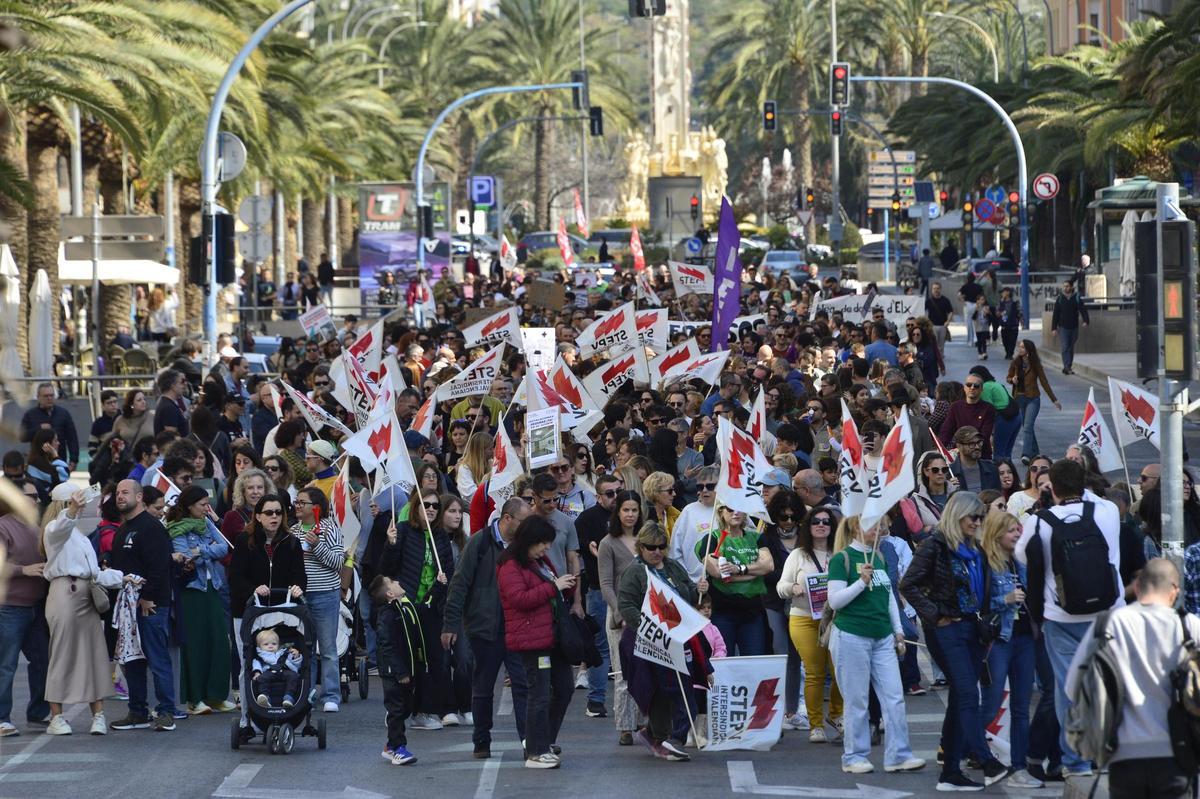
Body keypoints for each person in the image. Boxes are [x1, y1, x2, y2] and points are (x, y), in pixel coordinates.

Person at [1016, 459, 1123, 779]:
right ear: (1085, 483)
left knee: (1068, 688)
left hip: (1062, 616)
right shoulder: (1107, 512)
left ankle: (1075, 759)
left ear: (1053, 487)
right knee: (1105, 686)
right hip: (1108, 614)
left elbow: (1022, 555)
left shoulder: (1039, 523)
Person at [1066, 558, 1200, 798]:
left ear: (1137, 588)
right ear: (1174, 591)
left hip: (1123, 755)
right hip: (1178, 754)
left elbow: (1072, 686)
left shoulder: (1108, 623)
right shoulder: (1190, 626)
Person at [900, 491, 1006, 790]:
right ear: (957, 515)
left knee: (962, 696)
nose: (978, 522)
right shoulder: (934, 545)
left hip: (971, 630)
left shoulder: (975, 549)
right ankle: (985, 761)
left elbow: (980, 593)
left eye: (981, 517)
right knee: (967, 694)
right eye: (974, 516)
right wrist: (936, 615)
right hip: (946, 631)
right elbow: (908, 584)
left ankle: (950, 769)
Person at [827, 515, 925, 776]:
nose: (879, 529)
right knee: (857, 700)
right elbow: (835, 601)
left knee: (894, 697)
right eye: (872, 525)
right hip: (851, 635)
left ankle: (899, 755)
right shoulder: (842, 559)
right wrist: (861, 582)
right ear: (855, 528)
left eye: (880, 525)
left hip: (882, 637)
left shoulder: (879, 557)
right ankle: (854, 756)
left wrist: (898, 631)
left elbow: (890, 597)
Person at [442, 497, 532, 759]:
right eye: (523, 521)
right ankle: (481, 740)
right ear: (507, 519)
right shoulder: (479, 543)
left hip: (516, 628)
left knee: (522, 685)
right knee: (482, 688)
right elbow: (459, 584)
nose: (527, 527)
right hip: (484, 627)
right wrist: (450, 624)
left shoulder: (522, 547)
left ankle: (529, 742)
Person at [40, 486, 128, 736]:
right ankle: (56, 717)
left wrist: (124, 577)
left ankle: (97, 715)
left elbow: (94, 573)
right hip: (64, 594)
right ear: (66, 504)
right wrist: (72, 510)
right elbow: (60, 528)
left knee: (95, 654)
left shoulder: (77, 534)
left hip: (85, 595)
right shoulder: (55, 529)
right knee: (62, 655)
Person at [616, 522, 706, 762]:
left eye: (661, 547)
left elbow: (688, 594)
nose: (657, 552)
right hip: (646, 640)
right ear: (640, 547)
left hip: (677, 637)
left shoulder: (673, 566)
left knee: (681, 688)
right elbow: (626, 606)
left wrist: (699, 589)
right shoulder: (634, 571)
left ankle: (670, 736)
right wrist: (651, 628)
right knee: (657, 691)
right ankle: (663, 735)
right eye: (650, 547)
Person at [497, 515, 578, 769]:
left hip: (551, 636)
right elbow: (519, 599)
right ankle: (535, 750)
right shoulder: (510, 565)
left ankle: (544, 741)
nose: (546, 548)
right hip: (532, 639)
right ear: (529, 541)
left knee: (564, 688)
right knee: (539, 694)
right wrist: (554, 586)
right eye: (542, 543)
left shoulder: (538, 561)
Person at [377, 489, 454, 730]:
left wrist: (442, 585)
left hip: (431, 607)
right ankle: (399, 708)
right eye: (426, 505)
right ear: (415, 508)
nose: (431, 509)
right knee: (407, 660)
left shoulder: (441, 536)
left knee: (431, 660)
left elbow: (448, 570)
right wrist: (390, 544)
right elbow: (386, 569)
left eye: (435, 506)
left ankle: (424, 710)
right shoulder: (403, 531)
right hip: (406, 606)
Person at [228, 493, 305, 734]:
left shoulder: (291, 542)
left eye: (278, 512)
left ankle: (285, 706)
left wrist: (297, 586)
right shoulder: (244, 541)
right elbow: (235, 576)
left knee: (281, 660)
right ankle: (246, 717)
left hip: (283, 611)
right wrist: (253, 589)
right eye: (269, 513)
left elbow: (300, 574)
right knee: (248, 663)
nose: (274, 517)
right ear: (258, 516)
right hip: (250, 609)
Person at [979, 512, 1041, 788]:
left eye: (1018, 530)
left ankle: (1019, 766)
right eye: (1011, 531)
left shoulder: (1020, 562)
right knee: (990, 704)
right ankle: (960, 746)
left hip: (1026, 638)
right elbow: (976, 603)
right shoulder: (986, 563)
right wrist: (1003, 599)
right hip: (999, 639)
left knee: (1021, 706)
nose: (1017, 535)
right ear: (996, 533)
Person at [109, 480, 178, 731]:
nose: (119, 496)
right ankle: (137, 711)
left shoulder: (151, 527)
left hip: (150, 605)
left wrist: (148, 597)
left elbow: (160, 567)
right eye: (117, 492)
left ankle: (166, 712)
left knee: (157, 658)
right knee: (132, 660)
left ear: (139, 497)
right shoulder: (122, 529)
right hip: (127, 606)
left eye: (125, 492)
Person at [165, 485, 234, 715]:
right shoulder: (175, 528)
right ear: (189, 506)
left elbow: (224, 547)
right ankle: (195, 699)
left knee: (219, 642)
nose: (208, 508)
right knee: (195, 645)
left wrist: (200, 550)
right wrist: (207, 550)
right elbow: (184, 555)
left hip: (212, 586)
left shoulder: (207, 523)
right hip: (191, 590)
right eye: (203, 504)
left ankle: (215, 695)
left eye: (208, 503)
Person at [777, 506, 843, 743]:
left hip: (836, 620)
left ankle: (836, 715)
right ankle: (816, 725)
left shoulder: (840, 554)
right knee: (814, 672)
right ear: (808, 525)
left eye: (826, 521)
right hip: (804, 618)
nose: (822, 525)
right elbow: (781, 586)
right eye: (816, 521)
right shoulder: (798, 555)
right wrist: (793, 588)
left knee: (840, 672)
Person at [0, 489, 49, 737]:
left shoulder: (35, 527)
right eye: (31, 495)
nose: (37, 499)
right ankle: (2, 719)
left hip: (36, 607)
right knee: (6, 665)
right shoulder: (3, 527)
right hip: (9, 607)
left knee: (43, 661)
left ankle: (38, 712)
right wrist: (24, 570)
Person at [291, 486, 344, 713]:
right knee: (305, 648)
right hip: (301, 596)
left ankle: (331, 694)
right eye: (297, 502)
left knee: (328, 648)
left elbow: (338, 562)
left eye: (302, 502)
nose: (297, 506)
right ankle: (308, 694)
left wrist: (317, 545)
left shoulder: (330, 528)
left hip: (325, 594)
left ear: (316, 507)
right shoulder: (292, 531)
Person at [598, 489, 645, 746]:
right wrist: (621, 612)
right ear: (618, 512)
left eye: (634, 510)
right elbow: (606, 584)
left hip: (647, 614)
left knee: (646, 670)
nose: (630, 515)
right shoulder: (608, 543)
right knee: (623, 673)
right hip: (619, 615)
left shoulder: (646, 539)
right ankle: (625, 726)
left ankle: (644, 719)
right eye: (625, 510)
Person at [697, 504, 773, 655]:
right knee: (724, 660)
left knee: (753, 662)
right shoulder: (711, 539)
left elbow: (769, 566)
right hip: (722, 612)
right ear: (721, 512)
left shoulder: (757, 538)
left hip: (752, 612)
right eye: (730, 509)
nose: (736, 512)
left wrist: (739, 569)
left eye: (740, 508)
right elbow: (718, 573)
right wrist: (754, 572)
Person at [370, 575, 421, 766]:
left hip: (406, 669)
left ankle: (390, 746)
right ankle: (398, 748)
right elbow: (387, 645)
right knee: (397, 709)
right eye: (393, 582)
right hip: (393, 672)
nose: (398, 581)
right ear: (390, 593)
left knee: (406, 707)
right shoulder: (387, 615)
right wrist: (400, 672)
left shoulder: (401, 608)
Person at [1007, 340, 1060, 465]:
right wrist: (1012, 380)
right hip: (1019, 399)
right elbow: (1008, 377)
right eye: (1019, 347)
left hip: (1033, 399)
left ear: (1028, 350)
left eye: (1022, 347)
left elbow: (1044, 382)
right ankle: (1035, 453)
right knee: (1027, 427)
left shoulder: (1035, 364)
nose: (1020, 349)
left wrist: (1054, 399)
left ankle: (1026, 454)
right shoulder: (1015, 362)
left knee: (1028, 427)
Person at [20, 383, 80, 473]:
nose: (49, 398)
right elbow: (22, 437)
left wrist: (73, 460)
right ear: (38, 397)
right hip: (38, 463)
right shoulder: (30, 415)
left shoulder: (63, 414)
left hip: (59, 460)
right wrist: (38, 428)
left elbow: (72, 438)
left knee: (60, 486)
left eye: (51, 395)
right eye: (46, 396)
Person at [250, 629, 301, 708]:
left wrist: (296, 656)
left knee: (294, 676)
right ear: (259, 646)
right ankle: (265, 698)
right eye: (266, 644)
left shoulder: (283, 652)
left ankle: (289, 697)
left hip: (284, 670)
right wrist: (257, 673)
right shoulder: (260, 656)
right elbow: (256, 665)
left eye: (274, 644)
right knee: (261, 678)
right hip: (268, 672)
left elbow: (295, 664)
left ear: (278, 644)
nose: (270, 646)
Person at [1051, 280, 1089, 375]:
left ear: (1071, 287)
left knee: (1070, 347)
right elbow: (1055, 314)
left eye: (1067, 286)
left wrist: (1086, 320)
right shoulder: (1060, 299)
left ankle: (1069, 365)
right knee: (1065, 346)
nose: (1065, 288)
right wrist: (1054, 328)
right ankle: (1066, 366)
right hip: (1063, 327)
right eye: (1064, 286)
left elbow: (1083, 310)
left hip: (1074, 326)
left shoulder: (1076, 298)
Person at [950, 426, 1000, 492]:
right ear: (959, 446)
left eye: (979, 442)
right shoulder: (950, 472)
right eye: (971, 444)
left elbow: (998, 496)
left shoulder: (992, 468)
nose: (977, 447)